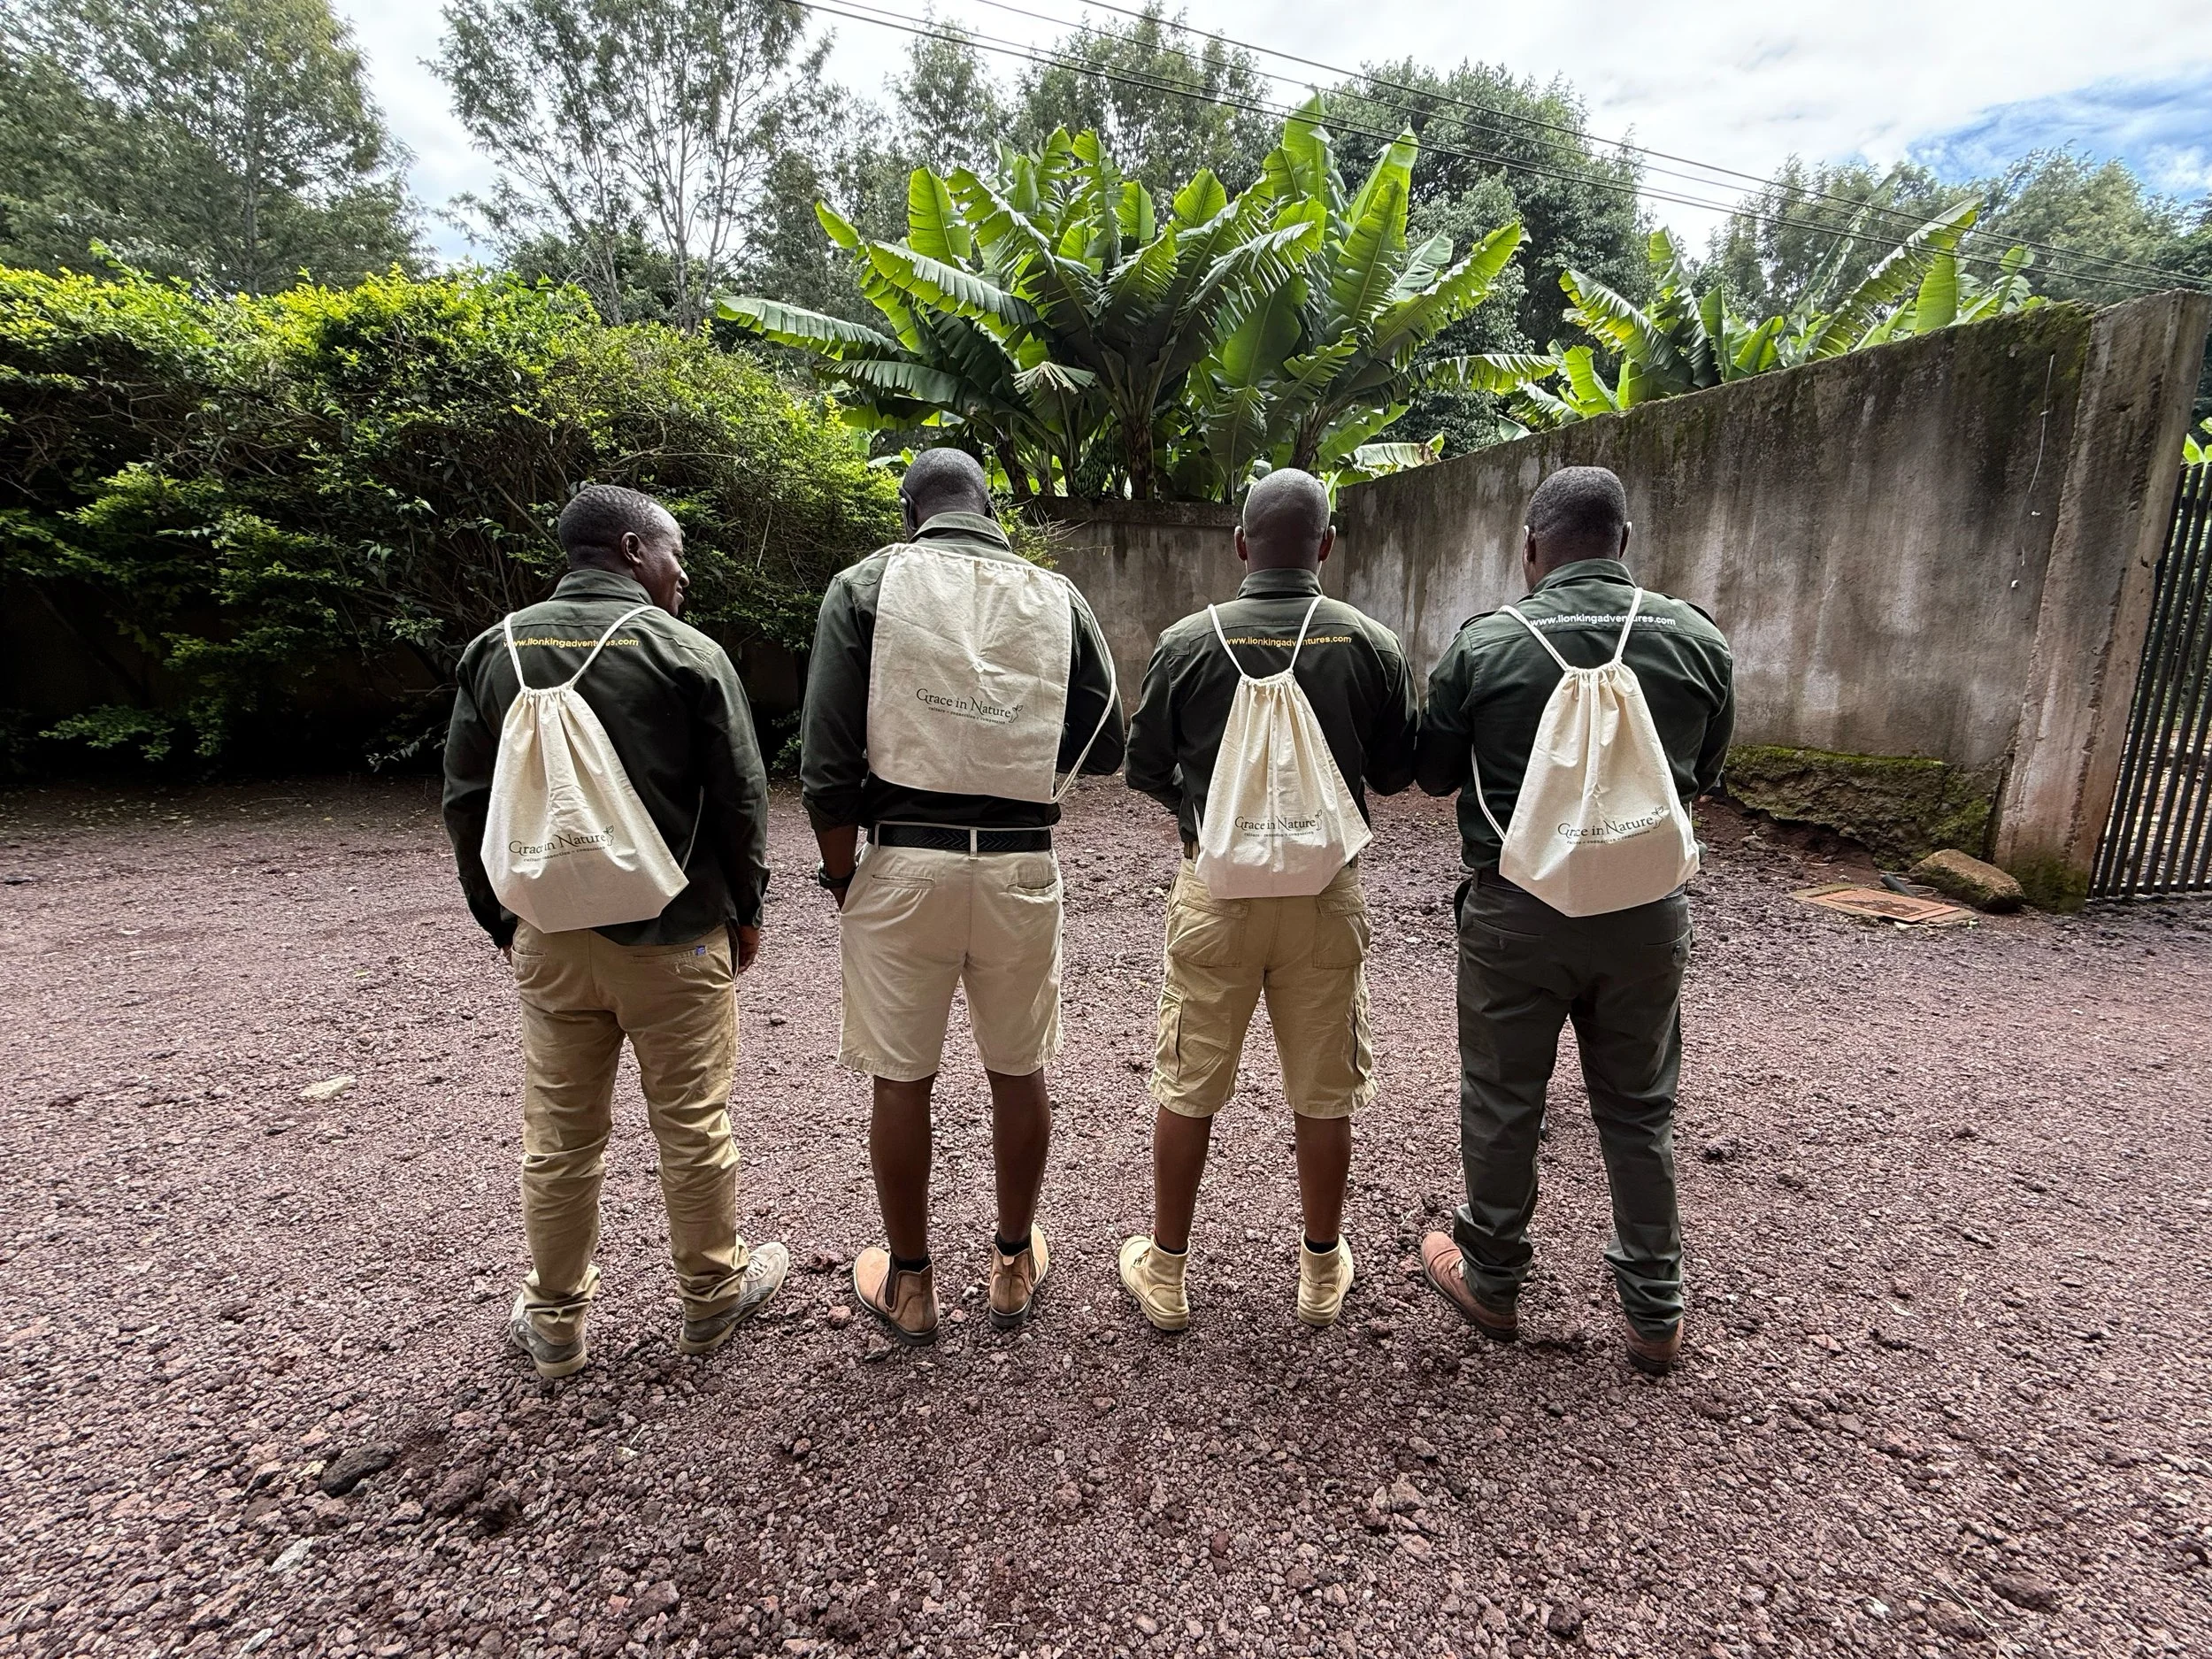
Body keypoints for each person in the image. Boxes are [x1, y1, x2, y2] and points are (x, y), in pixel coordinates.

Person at [443, 484, 787, 1379]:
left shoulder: (495, 651)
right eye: (675, 553)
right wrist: (744, 912)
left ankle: (555, 1319)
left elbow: (465, 804)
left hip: (550, 939)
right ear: (634, 549)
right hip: (674, 936)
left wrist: (504, 923)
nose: (684, 572)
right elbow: (741, 801)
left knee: (560, 1134)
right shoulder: (684, 653)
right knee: (691, 1120)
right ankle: (711, 1299)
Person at [801, 448, 1125, 1345]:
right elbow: (1105, 743)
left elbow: (826, 769)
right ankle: (1013, 1265)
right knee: (1018, 1069)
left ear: (910, 512)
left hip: (905, 862)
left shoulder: (865, 586)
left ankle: (911, 1286)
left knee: (901, 1078)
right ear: (991, 506)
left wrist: (841, 876)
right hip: (1021, 864)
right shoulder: (1057, 598)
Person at [1413, 465, 1733, 1374]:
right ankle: (1653, 1311)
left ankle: (1493, 1278)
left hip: (1516, 914)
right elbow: (1704, 773)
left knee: (1504, 1099)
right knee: (1638, 1108)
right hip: (1644, 918)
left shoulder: (1488, 642)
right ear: (1622, 543)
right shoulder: (1694, 637)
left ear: (1530, 549)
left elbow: (1435, 772)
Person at [1118, 467, 1419, 1331]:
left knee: (1188, 1082)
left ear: (1241, 544)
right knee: (1323, 1091)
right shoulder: (1366, 642)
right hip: (1326, 899)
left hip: (1215, 895)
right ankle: (1321, 1274)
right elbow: (1396, 770)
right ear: (1325, 546)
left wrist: (1208, 812)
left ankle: (1168, 1273)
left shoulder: (1186, 642)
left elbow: (1142, 769)